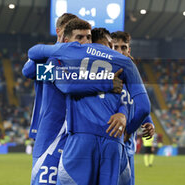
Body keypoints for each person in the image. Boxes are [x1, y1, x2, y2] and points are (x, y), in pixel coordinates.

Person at [28, 26, 151, 185]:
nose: (85, 41)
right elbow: (143, 107)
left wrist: (61, 46)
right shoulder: (123, 63)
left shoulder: (72, 54)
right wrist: (128, 128)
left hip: (79, 138)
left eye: (87, 37)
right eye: (80, 37)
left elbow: (37, 66)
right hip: (107, 139)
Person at [111, 31, 155, 185]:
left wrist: (148, 121)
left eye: (124, 47)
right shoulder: (105, 75)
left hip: (128, 147)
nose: (120, 52)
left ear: (129, 50)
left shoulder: (133, 76)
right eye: (115, 47)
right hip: (112, 145)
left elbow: (139, 106)